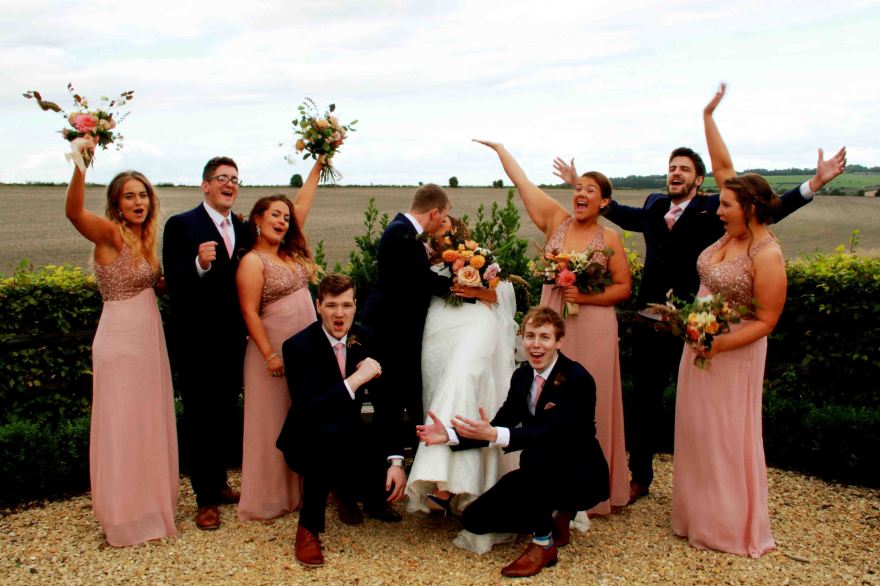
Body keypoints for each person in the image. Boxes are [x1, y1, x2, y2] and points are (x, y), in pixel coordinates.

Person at [553, 84, 847, 503]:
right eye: (672, 167)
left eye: (684, 169)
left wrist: (813, 184)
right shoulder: (654, 206)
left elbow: (770, 210)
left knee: (695, 407)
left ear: (699, 178)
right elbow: (618, 213)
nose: (676, 173)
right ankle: (640, 477)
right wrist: (581, 187)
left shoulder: (715, 211)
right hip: (648, 319)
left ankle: (700, 486)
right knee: (645, 402)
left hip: (697, 324)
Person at [670, 88, 798, 556]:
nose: (717, 210)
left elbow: (767, 319)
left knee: (725, 435)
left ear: (750, 207)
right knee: (696, 430)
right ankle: (694, 512)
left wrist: (718, 345)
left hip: (732, 352)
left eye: (725, 206)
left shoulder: (767, 253)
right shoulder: (730, 230)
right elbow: (725, 168)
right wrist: (706, 116)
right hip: (699, 344)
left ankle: (726, 524)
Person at [476, 139, 631, 516]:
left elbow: (624, 287)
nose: (581, 194)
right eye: (578, 188)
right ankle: (544, 478)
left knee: (586, 401)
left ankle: (589, 489)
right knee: (543, 397)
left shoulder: (609, 238)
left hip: (592, 323)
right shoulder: (555, 221)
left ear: (604, 202)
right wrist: (501, 150)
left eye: (590, 191)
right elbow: (523, 182)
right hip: (552, 316)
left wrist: (583, 294)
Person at [417, 306, 609, 577]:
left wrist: (495, 435)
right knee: (475, 519)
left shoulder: (578, 379)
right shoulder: (521, 377)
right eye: (530, 336)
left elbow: (554, 433)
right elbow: (498, 426)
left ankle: (543, 542)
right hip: (536, 474)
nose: (536, 345)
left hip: (576, 473)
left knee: (541, 459)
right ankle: (553, 515)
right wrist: (449, 435)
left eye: (544, 337)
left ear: (559, 342)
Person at [65, 163, 178, 546]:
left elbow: (153, 286)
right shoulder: (111, 234)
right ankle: (124, 514)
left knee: (146, 420)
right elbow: (73, 214)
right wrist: (80, 163)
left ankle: (149, 504)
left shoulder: (145, 240)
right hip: (120, 341)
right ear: (116, 203)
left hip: (149, 339)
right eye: (129, 195)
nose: (138, 201)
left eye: (143, 194)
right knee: (123, 423)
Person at [276, 274, 407, 568]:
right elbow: (310, 409)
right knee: (327, 435)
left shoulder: (367, 338)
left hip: (350, 433)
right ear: (318, 305)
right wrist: (355, 380)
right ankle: (308, 529)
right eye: (331, 305)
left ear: (355, 306)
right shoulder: (297, 347)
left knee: (365, 442)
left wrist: (396, 461)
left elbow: (388, 402)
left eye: (346, 305)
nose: (339, 314)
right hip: (308, 438)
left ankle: (363, 496)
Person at [405, 216, 519, 521]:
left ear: (458, 234)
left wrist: (477, 290)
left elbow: (504, 295)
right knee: (443, 391)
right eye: (434, 235)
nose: (439, 239)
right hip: (440, 332)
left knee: (463, 379)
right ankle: (447, 481)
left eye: (445, 233)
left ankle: (451, 485)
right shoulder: (424, 265)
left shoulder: (480, 257)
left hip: (476, 326)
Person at [235, 159, 325, 522]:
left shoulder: (289, 255)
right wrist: (270, 355)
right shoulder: (252, 262)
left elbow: (303, 203)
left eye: (286, 217)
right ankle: (271, 497)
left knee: (303, 418)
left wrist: (320, 161)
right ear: (258, 218)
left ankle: (305, 490)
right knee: (272, 423)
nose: (283, 221)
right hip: (271, 357)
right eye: (275, 214)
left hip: (305, 355)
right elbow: (249, 313)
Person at [163, 156, 249, 530]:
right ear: (205, 185)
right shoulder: (182, 225)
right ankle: (205, 499)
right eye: (221, 178)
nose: (229, 184)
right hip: (196, 342)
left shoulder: (243, 230)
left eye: (234, 179)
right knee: (200, 417)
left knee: (225, 413)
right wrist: (198, 264)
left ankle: (220, 483)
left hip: (233, 342)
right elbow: (172, 280)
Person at [362, 184, 453, 453]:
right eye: (444, 214)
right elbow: (419, 280)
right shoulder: (401, 234)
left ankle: (400, 464)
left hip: (399, 335)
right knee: (389, 406)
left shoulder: (403, 231)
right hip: (389, 336)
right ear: (435, 212)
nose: (442, 221)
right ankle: (384, 472)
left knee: (406, 400)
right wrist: (459, 287)